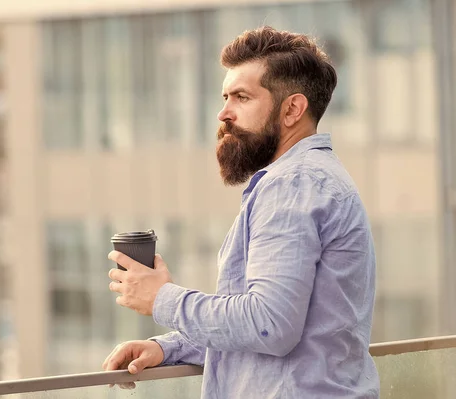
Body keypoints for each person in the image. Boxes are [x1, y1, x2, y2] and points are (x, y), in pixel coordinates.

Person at [103, 26, 380, 399]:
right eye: (225, 96)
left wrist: (163, 298)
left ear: (293, 109)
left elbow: (269, 325)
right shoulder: (310, 179)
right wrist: (171, 348)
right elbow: (290, 332)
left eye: (241, 97)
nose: (223, 112)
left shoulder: (292, 184)